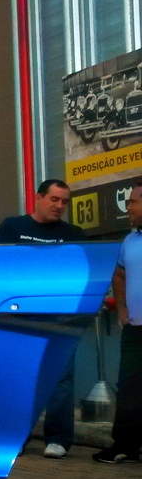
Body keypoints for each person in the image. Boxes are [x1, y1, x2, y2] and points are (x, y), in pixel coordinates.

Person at [0, 179, 85, 459]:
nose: (59, 206)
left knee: (60, 377)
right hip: (20, 312)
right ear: (39, 198)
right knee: (19, 375)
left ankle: (58, 439)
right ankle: (16, 437)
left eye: (64, 202)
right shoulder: (12, 227)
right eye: (54, 199)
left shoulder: (74, 234)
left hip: (60, 314)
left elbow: (82, 273)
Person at [97, 179, 142, 464]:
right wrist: (122, 309)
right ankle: (124, 445)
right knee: (129, 388)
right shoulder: (130, 241)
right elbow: (120, 274)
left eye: (133, 202)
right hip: (135, 329)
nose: (129, 208)